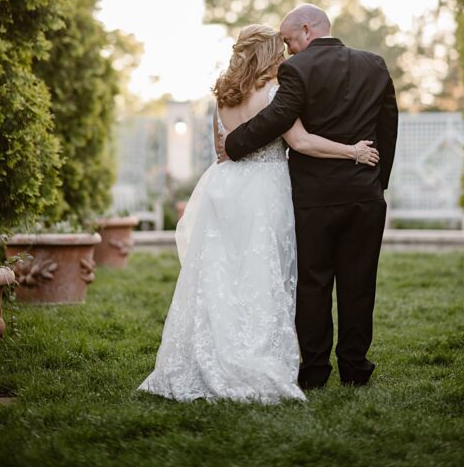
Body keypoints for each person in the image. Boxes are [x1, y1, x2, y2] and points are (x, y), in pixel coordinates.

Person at [139, 23, 380, 403]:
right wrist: (352, 151)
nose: (286, 56)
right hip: (265, 190)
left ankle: (211, 354)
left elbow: (222, 147)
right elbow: (300, 142)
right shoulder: (275, 92)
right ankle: (256, 359)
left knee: (222, 278)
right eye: (280, 50)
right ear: (269, 54)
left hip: (224, 187)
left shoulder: (222, 95)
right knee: (264, 275)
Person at [222, 5, 398, 389]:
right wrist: (377, 183)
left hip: (313, 197)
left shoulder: (296, 71)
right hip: (364, 195)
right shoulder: (375, 64)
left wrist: (233, 145)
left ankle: (315, 371)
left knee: (314, 284)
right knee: (359, 284)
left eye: (287, 40)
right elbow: (388, 126)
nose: (286, 50)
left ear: (306, 30)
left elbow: (278, 118)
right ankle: (355, 370)